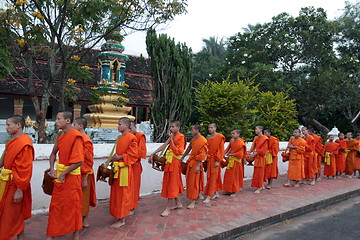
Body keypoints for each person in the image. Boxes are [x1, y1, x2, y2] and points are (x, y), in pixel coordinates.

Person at [47, 111, 84, 240]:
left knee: (73, 205)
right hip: (60, 176)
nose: (56, 122)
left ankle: (76, 234)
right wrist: (52, 169)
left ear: (67, 121)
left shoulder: (76, 136)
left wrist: (63, 173)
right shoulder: (61, 135)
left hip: (71, 178)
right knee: (56, 205)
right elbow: (53, 154)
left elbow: (79, 160)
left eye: (58, 119)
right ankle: (51, 233)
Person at [0, 115, 34, 240]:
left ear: (18, 125)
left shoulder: (24, 144)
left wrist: (20, 189)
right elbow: (4, 162)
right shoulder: (11, 143)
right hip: (6, 183)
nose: (6, 128)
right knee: (14, 214)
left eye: (9, 125)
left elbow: (25, 169)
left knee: (9, 216)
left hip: (16, 184)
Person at [148, 120, 186, 217]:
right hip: (169, 162)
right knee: (170, 182)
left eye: (173, 127)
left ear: (178, 128)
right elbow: (164, 146)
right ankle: (178, 203)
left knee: (172, 183)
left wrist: (171, 139)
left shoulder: (181, 137)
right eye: (170, 127)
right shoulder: (172, 137)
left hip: (175, 163)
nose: (171, 129)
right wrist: (153, 153)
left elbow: (179, 151)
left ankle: (168, 207)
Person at [109, 117, 138, 228]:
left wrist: (120, 157)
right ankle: (118, 215)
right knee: (116, 193)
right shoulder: (120, 138)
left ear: (126, 125)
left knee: (123, 194)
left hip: (124, 170)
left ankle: (122, 219)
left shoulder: (131, 138)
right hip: (118, 169)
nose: (118, 126)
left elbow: (134, 155)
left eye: (120, 124)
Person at [73, 117, 96, 228]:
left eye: (74, 124)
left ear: (80, 126)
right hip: (76, 173)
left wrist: (84, 177)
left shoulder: (85, 140)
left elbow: (88, 160)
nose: (73, 127)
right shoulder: (77, 138)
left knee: (84, 198)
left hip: (84, 174)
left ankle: (85, 219)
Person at [181, 125, 207, 209]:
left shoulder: (203, 140)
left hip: (197, 163)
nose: (191, 132)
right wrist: (182, 158)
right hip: (191, 162)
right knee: (190, 180)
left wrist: (198, 165)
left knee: (194, 182)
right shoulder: (194, 139)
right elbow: (188, 149)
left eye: (192, 130)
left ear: (197, 130)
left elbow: (203, 154)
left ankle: (193, 200)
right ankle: (197, 195)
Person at [203, 123, 224, 204]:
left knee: (213, 177)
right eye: (209, 127)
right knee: (212, 177)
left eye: (211, 127)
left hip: (215, 160)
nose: (210, 129)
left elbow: (221, 150)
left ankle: (209, 195)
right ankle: (216, 193)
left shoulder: (220, 137)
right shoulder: (208, 137)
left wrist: (218, 161)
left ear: (215, 128)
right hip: (209, 159)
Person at [129, 121, 147, 212]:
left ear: (135, 127)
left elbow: (141, 152)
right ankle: (127, 204)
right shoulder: (127, 137)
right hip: (127, 164)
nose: (129, 130)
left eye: (131, 128)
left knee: (134, 186)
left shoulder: (140, 136)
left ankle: (133, 205)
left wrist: (129, 156)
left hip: (135, 164)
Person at [223, 129, 246, 196]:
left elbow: (240, 154)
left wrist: (232, 154)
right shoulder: (232, 140)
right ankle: (228, 190)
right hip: (230, 161)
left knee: (234, 177)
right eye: (232, 133)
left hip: (236, 161)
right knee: (228, 176)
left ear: (238, 134)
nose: (232, 135)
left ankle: (235, 191)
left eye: (234, 133)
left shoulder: (241, 143)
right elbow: (228, 148)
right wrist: (222, 155)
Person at [249, 126, 268, 194]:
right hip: (256, 157)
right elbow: (253, 146)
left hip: (261, 157)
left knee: (260, 172)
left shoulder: (265, 138)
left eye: (256, 129)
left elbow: (264, 150)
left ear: (261, 130)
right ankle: (261, 185)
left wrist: (255, 153)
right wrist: (249, 153)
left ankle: (259, 187)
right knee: (257, 172)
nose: (255, 130)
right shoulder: (256, 138)